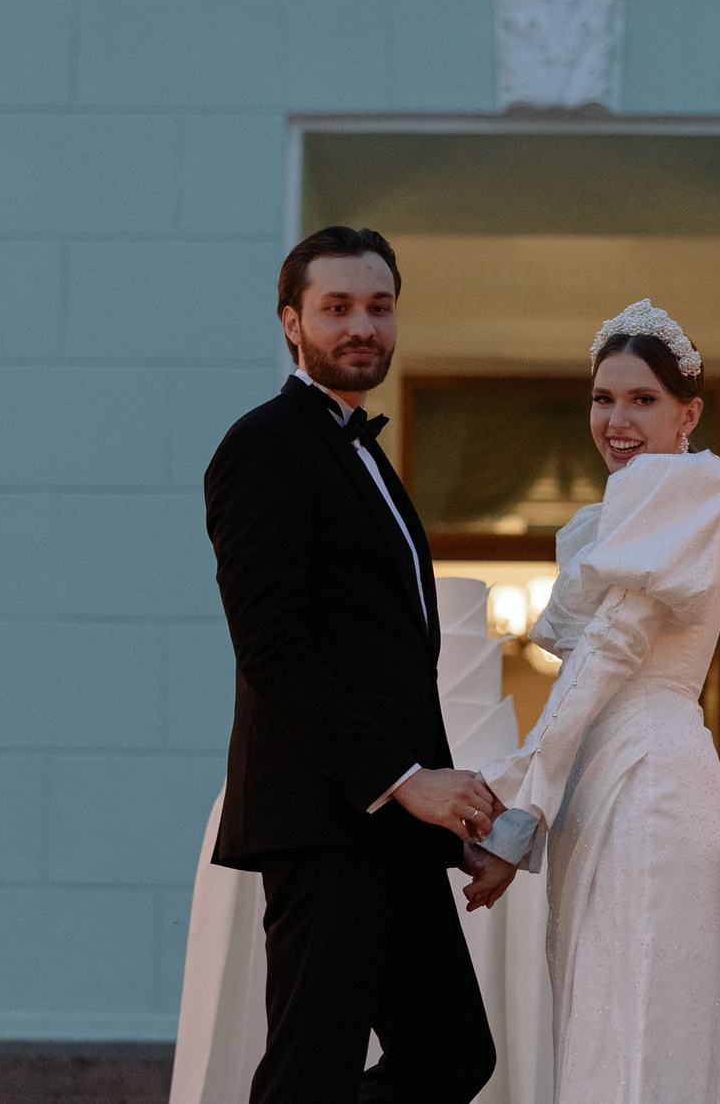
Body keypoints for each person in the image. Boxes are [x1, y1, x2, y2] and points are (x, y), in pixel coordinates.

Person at [204, 227, 501, 1104]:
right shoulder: (265, 443)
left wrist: (451, 815)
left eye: (378, 306)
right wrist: (405, 779)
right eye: (336, 308)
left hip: (394, 822)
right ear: (292, 322)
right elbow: (270, 646)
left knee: (450, 1054)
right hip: (327, 815)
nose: (361, 324)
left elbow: (390, 661)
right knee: (310, 1070)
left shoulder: (360, 449)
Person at [457, 301, 720, 1104]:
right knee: (602, 1031)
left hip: (652, 785)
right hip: (604, 780)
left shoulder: (682, 492)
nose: (617, 419)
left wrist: (516, 815)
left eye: (642, 399)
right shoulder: (620, 514)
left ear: (688, 412)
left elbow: (607, 655)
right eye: (602, 398)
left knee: (640, 1038)